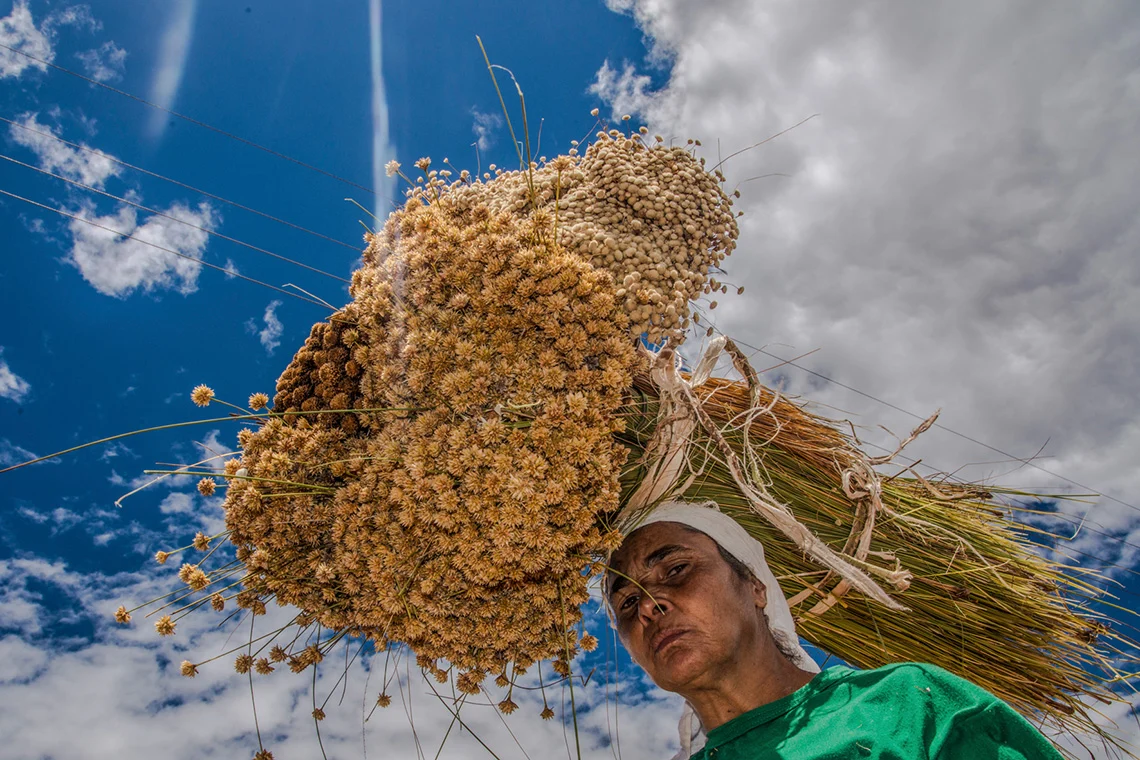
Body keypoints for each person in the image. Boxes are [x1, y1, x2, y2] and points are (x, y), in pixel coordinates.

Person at [605, 500, 1065, 759]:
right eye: (626, 603)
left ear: (756, 587)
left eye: (676, 569)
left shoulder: (905, 703)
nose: (647, 605)